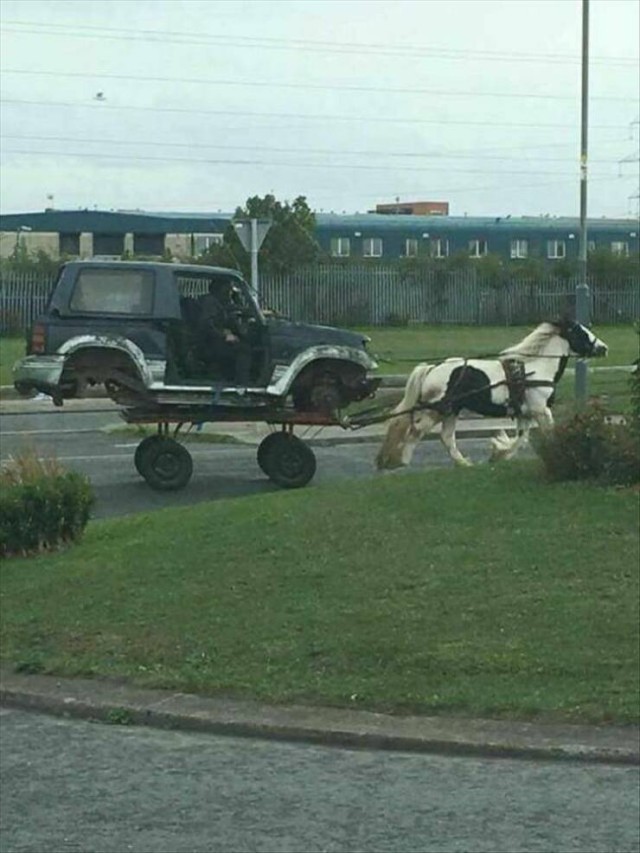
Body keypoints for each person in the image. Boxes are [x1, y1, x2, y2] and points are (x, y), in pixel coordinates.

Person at [196, 277, 252, 384]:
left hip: (214, 339)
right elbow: (207, 324)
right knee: (244, 350)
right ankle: (241, 386)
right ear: (221, 289)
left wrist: (237, 297)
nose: (230, 291)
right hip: (209, 342)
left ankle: (230, 379)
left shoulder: (220, 302)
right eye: (228, 288)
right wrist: (224, 335)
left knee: (241, 344)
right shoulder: (210, 302)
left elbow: (236, 308)